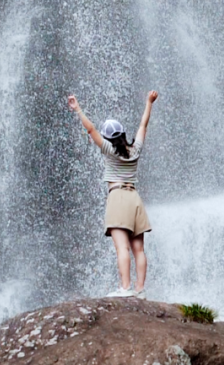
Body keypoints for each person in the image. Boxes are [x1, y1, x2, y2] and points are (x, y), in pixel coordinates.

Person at [67, 90, 158, 299]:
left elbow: (90, 129)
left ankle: (125, 288)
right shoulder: (135, 150)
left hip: (118, 197)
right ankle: (140, 289)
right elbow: (143, 125)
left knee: (121, 248)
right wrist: (149, 102)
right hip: (135, 198)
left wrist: (77, 108)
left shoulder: (108, 150)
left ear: (108, 137)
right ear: (124, 134)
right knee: (139, 250)